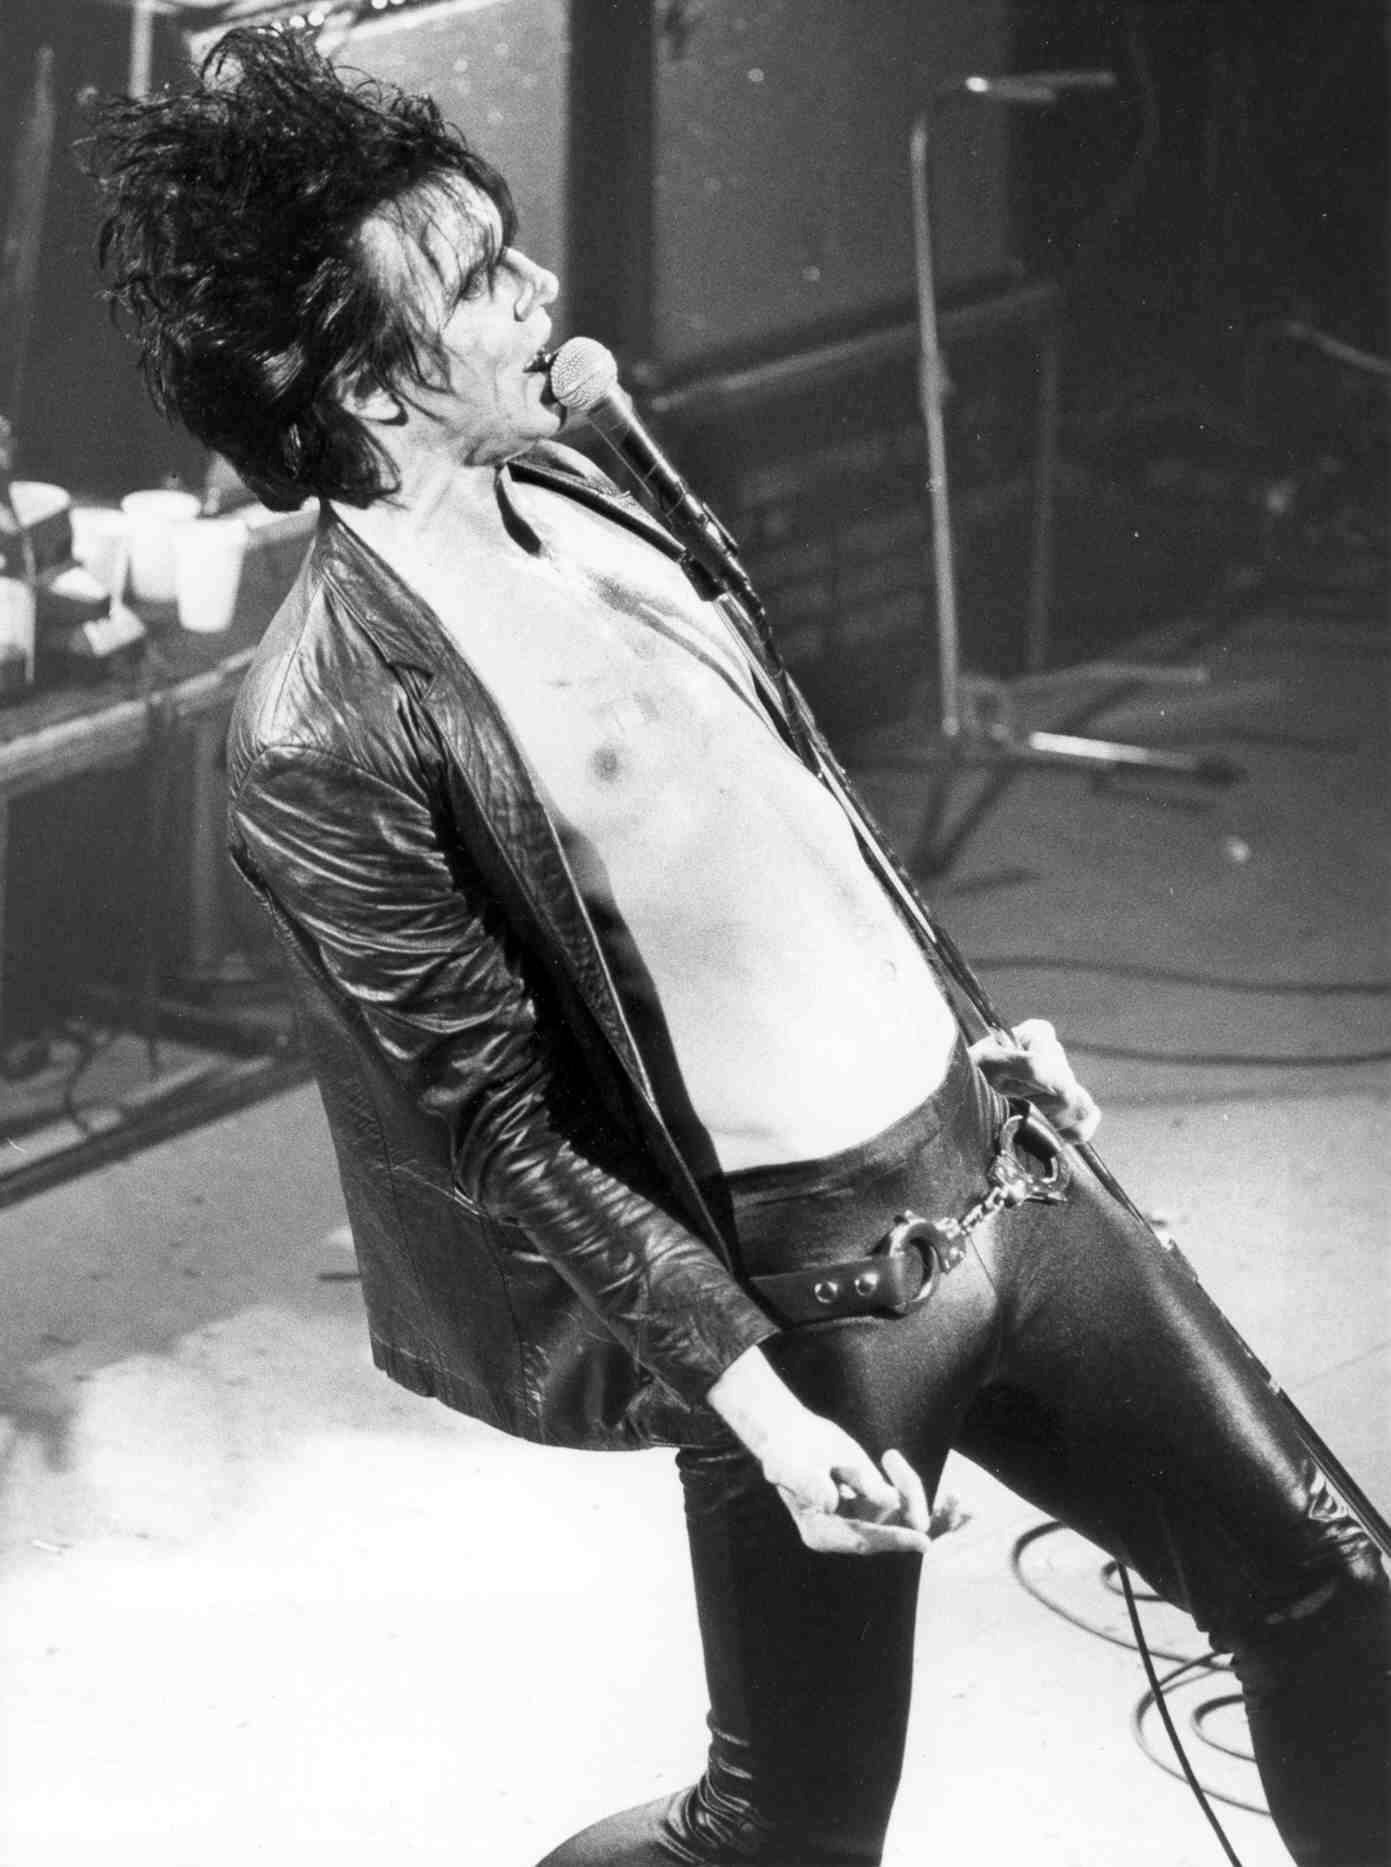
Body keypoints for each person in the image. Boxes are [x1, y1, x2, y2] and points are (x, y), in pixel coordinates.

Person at [87, 28, 1388, 1866]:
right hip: (813, 1304)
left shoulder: (588, 486)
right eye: (480, 281)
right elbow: (499, 1124)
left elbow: (787, 817)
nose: (542, 290)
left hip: (1011, 1177)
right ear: (367, 387)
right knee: (786, 1835)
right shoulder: (322, 724)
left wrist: (967, 1025)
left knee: (1343, 1601)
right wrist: (759, 1412)